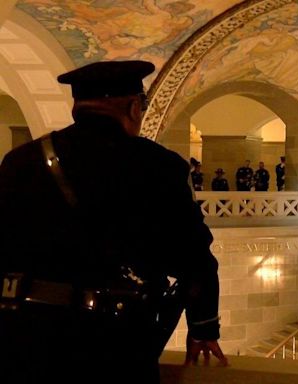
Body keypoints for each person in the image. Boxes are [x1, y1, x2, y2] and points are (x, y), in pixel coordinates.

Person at [0, 60, 228, 384]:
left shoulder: (21, 161)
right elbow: (193, 256)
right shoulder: (160, 167)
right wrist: (204, 326)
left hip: (25, 333)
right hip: (113, 341)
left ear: (77, 106)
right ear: (134, 107)